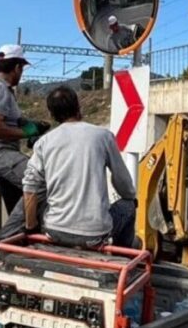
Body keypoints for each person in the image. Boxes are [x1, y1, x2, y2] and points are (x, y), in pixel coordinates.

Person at [22, 86, 137, 249]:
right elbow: (124, 185)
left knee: (44, 203)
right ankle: (121, 255)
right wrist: (129, 196)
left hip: (55, 232)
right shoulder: (103, 136)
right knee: (128, 205)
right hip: (95, 235)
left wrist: (30, 228)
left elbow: (29, 188)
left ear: (51, 114)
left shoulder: (44, 142)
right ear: (78, 106)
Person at [0, 44, 50, 236]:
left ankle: (25, 235)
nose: (21, 74)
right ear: (17, 68)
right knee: (39, 181)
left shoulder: (2, 90)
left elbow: (7, 120)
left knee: (27, 189)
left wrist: (32, 125)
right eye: (22, 69)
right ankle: (5, 240)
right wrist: (26, 133)